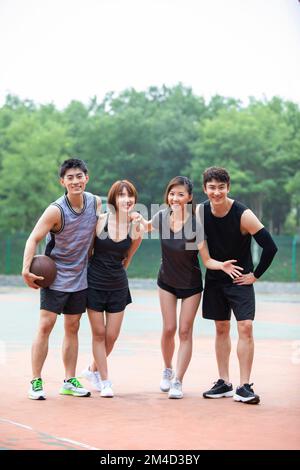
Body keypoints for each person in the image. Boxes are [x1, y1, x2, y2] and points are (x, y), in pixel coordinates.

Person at [136, 176, 243, 399]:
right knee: (169, 329)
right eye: (172, 193)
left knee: (185, 331)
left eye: (181, 194)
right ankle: (167, 369)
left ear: (190, 197)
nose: (175, 198)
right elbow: (144, 227)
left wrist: (221, 265)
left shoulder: (195, 225)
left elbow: (206, 260)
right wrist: (132, 216)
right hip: (166, 281)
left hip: (191, 285)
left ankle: (178, 381)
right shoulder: (162, 217)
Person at [22, 158, 100, 400]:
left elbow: (96, 235)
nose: (75, 181)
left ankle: (69, 380)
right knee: (45, 326)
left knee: (73, 327)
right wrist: (26, 269)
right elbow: (33, 239)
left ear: (86, 177)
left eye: (79, 176)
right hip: (54, 275)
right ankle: (35, 380)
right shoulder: (56, 210)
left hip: (80, 275)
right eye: (70, 177)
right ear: (63, 182)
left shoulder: (95, 203)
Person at [201, 167, 278, 404]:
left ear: (228, 187)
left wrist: (255, 275)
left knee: (245, 327)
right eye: (212, 188)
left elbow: (270, 247)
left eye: (221, 187)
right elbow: (203, 253)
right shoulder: (200, 212)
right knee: (221, 328)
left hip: (239, 280)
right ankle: (224, 382)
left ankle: (244, 386)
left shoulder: (243, 214)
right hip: (215, 279)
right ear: (205, 188)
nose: (216, 192)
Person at [81, 180, 143, 397]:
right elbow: (88, 252)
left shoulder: (136, 227)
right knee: (98, 334)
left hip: (118, 285)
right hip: (94, 283)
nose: (126, 199)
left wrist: (116, 273)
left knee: (112, 336)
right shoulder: (100, 221)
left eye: (130, 195)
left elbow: (128, 257)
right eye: (121, 195)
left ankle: (91, 370)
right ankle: (105, 381)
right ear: (113, 199)